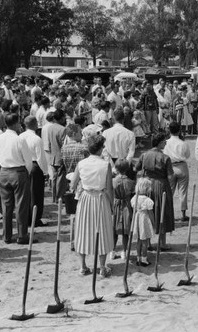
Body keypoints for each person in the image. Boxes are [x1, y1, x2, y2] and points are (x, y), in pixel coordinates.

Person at [70, 134, 115, 277]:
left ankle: (83, 266)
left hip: (85, 198)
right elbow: (108, 188)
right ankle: (102, 267)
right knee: (102, 231)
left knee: (83, 231)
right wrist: (112, 205)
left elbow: (72, 184)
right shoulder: (105, 164)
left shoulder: (81, 164)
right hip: (100, 198)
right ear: (101, 149)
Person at [0, 113, 33, 244]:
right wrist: (25, 172)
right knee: (21, 205)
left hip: (4, 171)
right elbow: (28, 161)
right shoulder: (19, 139)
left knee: (6, 206)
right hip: (18, 171)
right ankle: (22, 235)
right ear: (16, 123)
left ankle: (7, 235)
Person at [135, 132, 175, 249]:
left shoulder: (144, 155)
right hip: (161, 185)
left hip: (146, 186)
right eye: (164, 141)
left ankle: (147, 243)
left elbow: (136, 168)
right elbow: (171, 176)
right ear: (159, 142)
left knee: (147, 212)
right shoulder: (165, 157)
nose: (165, 143)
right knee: (163, 211)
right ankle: (162, 243)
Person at [20, 116, 49, 227]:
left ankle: (28, 217)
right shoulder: (36, 139)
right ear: (35, 124)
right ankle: (35, 218)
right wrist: (45, 172)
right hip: (35, 166)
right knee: (36, 194)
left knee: (26, 193)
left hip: (24, 166)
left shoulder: (20, 136)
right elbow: (40, 158)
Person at [163, 122, 191, 221]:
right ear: (179, 130)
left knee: (169, 191)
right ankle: (183, 214)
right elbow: (187, 155)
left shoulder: (166, 143)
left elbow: (164, 155)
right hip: (182, 166)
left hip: (170, 166)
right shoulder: (183, 143)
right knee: (183, 191)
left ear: (169, 130)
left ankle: (167, 213)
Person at [112, 159, 135, 261]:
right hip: (127, 205)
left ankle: (112, 252)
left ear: (116, 168)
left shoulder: (112, 181)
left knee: (114, 230)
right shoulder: (131, 182)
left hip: (115, 205)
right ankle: (124, 252)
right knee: (126, 230)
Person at [131, 178, 155, 266]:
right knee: (145, 241)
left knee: (138, 241)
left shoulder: (134, 198)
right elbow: (150, 213)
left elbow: (134, 209)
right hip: (144, 219)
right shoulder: (148, 200)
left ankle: (138, 258)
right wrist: (153, 222)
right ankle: (144, 259)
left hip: (137, 219)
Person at [47, 109, 67, 202]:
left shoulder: (50, 128)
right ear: (62, 118)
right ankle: (59, 197)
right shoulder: (63, 129)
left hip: (53, 156)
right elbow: (64, 145)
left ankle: (54, 197)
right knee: (60, 179)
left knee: (54, 178)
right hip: (60, 157)